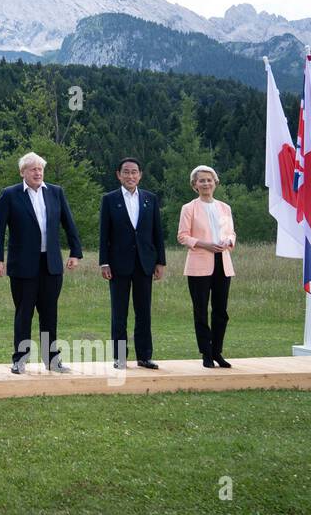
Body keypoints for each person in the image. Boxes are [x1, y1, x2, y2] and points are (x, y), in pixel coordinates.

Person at [0, 151, 82, 373]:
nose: (38, 172)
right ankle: (20, 359)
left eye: (40, 169)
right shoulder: (10, 195)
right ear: (23, 172)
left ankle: (51, 360)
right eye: (33, 169)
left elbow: (69, 224)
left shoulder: (55, 193)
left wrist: (75, 252)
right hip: (22, 266)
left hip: (50, 264)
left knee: (50, 313)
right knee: (24, 313)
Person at [99, 157, 166, 369]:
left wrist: (160, 261)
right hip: (118, 264)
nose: (130, 176)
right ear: (119, 175)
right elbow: (104, 234)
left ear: (140, 175)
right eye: (126, 172)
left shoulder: (150, 199)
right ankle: (120, 357)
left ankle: (144, 356)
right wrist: (104, 263)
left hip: (145, 263)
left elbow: (157, 232)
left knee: (143, 311)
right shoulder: (109, 199)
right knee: (119, 312)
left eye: (134, 172)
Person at [177, 165, 237, 368]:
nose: (206, 183)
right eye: (201, 180)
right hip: (199, 265)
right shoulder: (189, 208)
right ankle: (206, 353)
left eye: (209, 180)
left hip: (223, 263)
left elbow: (231, 233)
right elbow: (183, 236)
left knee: (221, 310)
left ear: (215, 182)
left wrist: (228, 242)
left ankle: (217, 351)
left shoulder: (224, 207)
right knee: (201, 310)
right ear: (195, 185)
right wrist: (205, 244)